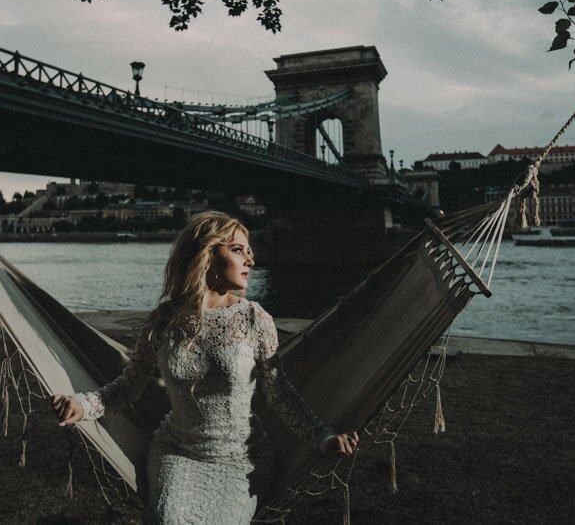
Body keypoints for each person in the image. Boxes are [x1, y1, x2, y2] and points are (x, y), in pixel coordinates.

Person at [51, 211, 358, 523]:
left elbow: (280, 393)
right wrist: (82, 405)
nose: (250, 260)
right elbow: (129, 385)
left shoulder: (254, 318)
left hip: (241, 459)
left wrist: (323, 437)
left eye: (249, 251)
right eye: (238, 250)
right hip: (178, 453)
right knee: (166, 518)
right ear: (206, 254)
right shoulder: (162, 320)